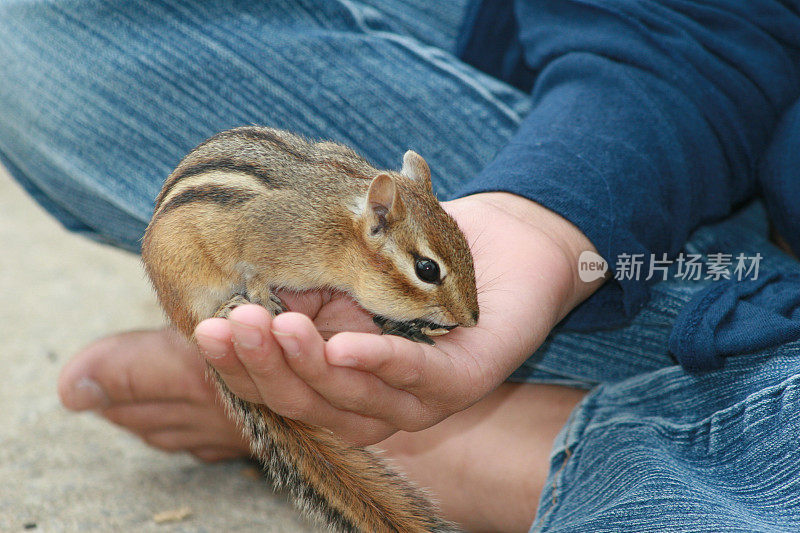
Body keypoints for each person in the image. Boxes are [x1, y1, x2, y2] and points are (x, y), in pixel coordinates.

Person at [2, 1, 800, 531]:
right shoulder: (336, 227)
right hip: (687, 101)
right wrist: (546, 216)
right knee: (39, 33)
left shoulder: (360, 235)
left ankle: (503, 450)